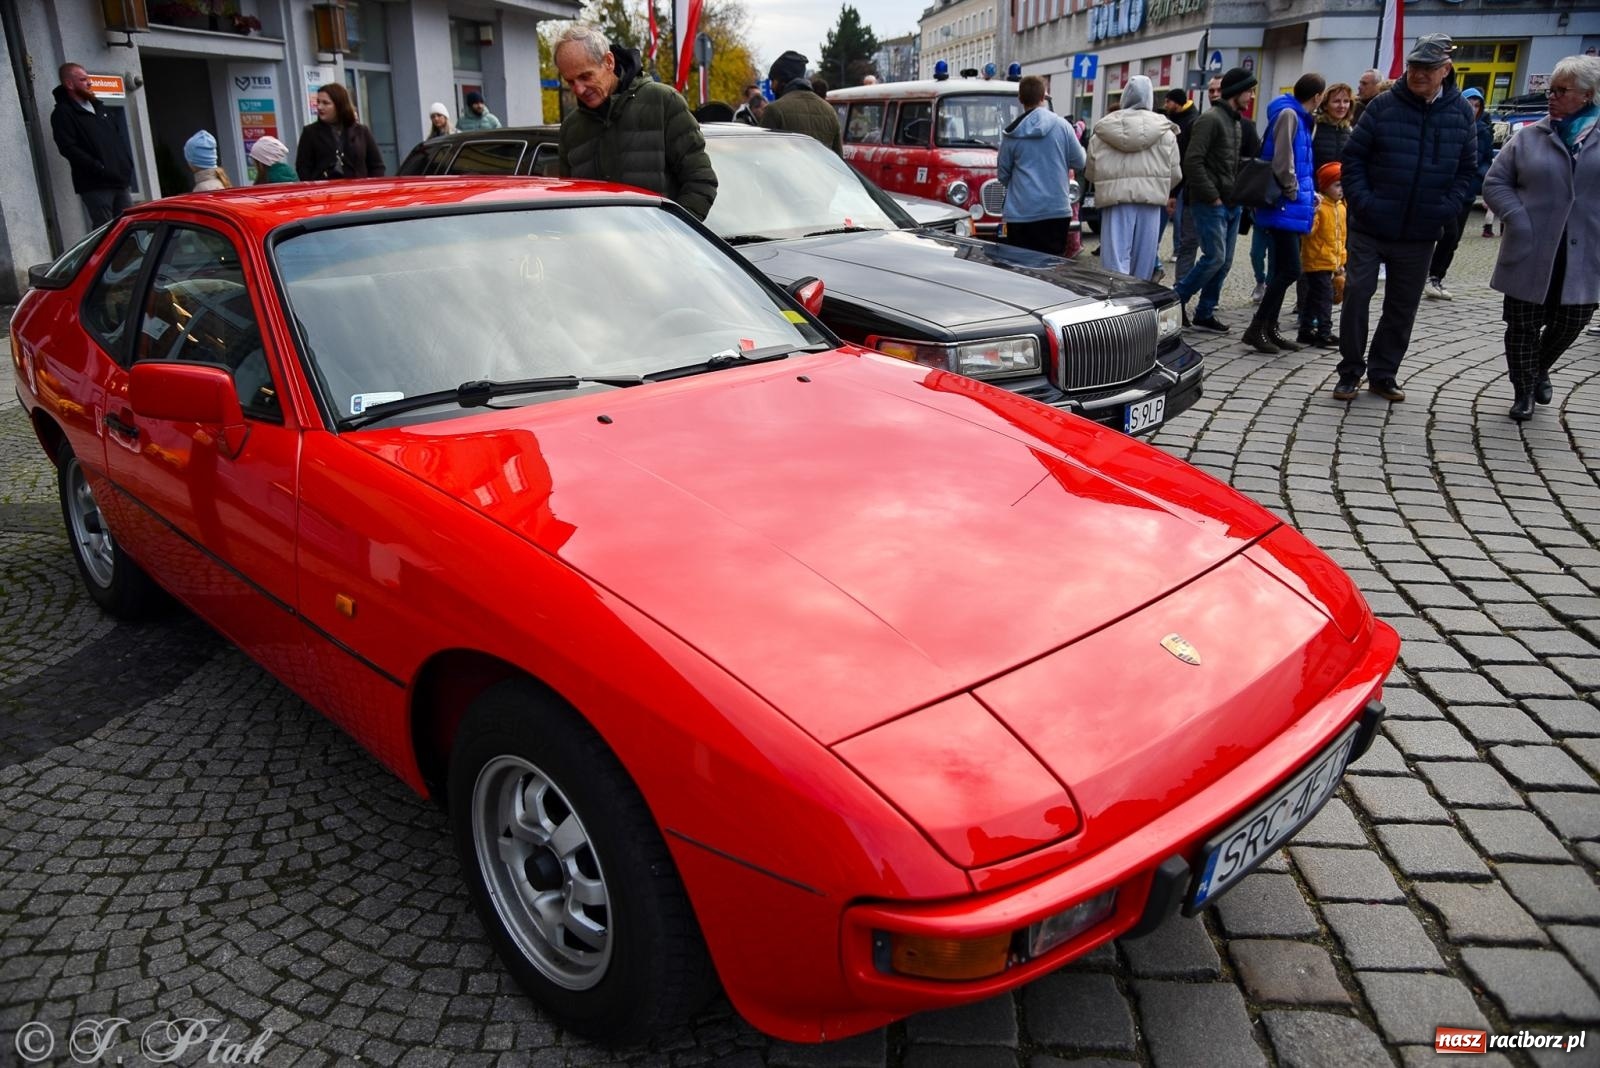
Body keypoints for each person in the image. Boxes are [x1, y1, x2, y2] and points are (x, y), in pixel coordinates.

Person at [1333, 34, 1477, 403]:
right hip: (1371, 224)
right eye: (1414, 67)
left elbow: (1467, 170)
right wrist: (1363, 201)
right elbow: (1353, 160)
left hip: (1421, 230)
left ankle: (1384, 373)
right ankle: (1350, 370)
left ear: (1445, 70)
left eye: (1427, 69)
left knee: (1402, 306)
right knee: (1358, 293)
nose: (1418, 74)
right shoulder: (1382, 106)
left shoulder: (1460, 111)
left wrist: (1446, 207)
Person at [1481, 55, 1600, 420]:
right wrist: (1517, 218)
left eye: (1561, 91)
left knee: (1572, 319)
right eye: (1551, 90)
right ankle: (1523, 393)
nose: (1552, 97)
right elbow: (1495, 182)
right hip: (1531, 245)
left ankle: (1537, 369)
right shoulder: (1530, 136)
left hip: (1585, 249)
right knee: (1522, 323)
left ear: (1587, 95)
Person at [555, 24, 717, 221]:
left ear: (608, 61)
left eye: (585, 76)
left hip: (660, 248)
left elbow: (701, 181)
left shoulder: (663, 102)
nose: (579, 89)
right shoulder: (571, 129)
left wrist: (673, 237)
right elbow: (569, 204)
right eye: (570, 82)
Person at [1243, 74, 1325, 354]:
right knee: (1290, 268)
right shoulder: (1290, 115)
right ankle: (1257, 327)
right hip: (1284, 203)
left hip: (1290, 204)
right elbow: (1284, 161)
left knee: (1281, 267)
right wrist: (1293, 192)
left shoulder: (1297, 116)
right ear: (1317, 96)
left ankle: (1270, 327)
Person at [1172, 66, 1257, 333]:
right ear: (1237, 91)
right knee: (1214, 258)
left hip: (1232, 202)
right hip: (1210, 203)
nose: (1252, 96)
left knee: (1226, 261)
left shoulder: (1234, 121)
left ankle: (1205, 312)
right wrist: (1213, 196)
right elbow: (1193, 161)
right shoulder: (1210, 119)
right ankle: (1175, 301)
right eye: (1249, 90)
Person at [1085, 76, 1181, 280]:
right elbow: (1175, 174)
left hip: (1115, 201)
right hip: (1150, 201)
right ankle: (1139, 304)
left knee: (1114, 263)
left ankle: (1116, 305)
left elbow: (1091, 172)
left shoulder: (1103, 130)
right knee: (1143, 264)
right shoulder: (1166, 132)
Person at [996, 74, 1085, 256]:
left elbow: (1003, 174)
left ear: (1020, 99)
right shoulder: (1063, 127)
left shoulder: (1012, 133)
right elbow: (1080, 161)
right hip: (1056, 212)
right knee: (1051, 267)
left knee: (1020, 269)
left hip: (1021, 213)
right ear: (1043, 97)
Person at [1424, 86, 1494, 301]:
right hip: (1444, 189)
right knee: (1445, 233)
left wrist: (1477, 178)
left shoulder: (1483, 131)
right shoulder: (1450, 126)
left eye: (1477, 105)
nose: (1472, 109)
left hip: (1467, 191)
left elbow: (1484, 160)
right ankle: (1428, 274)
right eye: (1469, 104)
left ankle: (1437, 276)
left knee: (1454, 239)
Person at [50, 62, 135, 226]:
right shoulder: (64, 113)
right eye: (83, 79)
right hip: (96, 184)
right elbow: (68, 147)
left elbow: (118, 140)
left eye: (88, 79)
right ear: (69, 84)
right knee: (106, 231)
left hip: (119, 181)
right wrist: (98, 166)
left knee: (128, 228)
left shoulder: (100, 108)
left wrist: (125, 165)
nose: (89, 83)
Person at [1298, 162, 1346, 346]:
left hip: (1330, 261)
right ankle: (1324, 331)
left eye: (1343, 184)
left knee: (1313, 296)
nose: (1341, 189)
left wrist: (1341, 260)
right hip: (1316, 260)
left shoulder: (1341, 207)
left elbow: (1341, 237)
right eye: (1337, 184)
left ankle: (1306, 329)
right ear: (1325, 186)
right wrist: (1312, 212)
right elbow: (1308, 232)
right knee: (1325, 297)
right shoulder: (1320, 206)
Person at [297, 82, 384, 180]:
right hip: (325, 192)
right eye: (318, 102)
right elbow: (303, 168)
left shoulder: (362, 131)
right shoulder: (310, 132)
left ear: (339, 105)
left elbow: (377, 166)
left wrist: (369, 188)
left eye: (326, 103)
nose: (320, 107)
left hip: (358, 191)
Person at [761, 51, 843, 154]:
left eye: (773, 80)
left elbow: (764, 156)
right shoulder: (829, 111)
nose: (771, 87)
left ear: (783, 80)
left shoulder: (774, 110)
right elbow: (839, 160)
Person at [1163, 88, 1200, 280]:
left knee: (1181, 222)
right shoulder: (1177, 119)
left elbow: (1185, 158)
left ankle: (1178, 251)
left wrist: (1174, 191)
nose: (1166, 105)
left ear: (1177, 102)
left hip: (1183, 182)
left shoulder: (1190, 122)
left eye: (1168, 102)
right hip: (1177, 181)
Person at [1312, 82, 1354, 170]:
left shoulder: (1350, 131)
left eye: (1346, 101)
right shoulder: (1314, 127)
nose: (1342, 106)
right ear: (1325, 105)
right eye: (1336, 101)